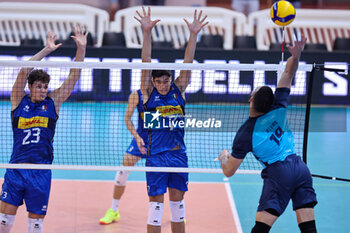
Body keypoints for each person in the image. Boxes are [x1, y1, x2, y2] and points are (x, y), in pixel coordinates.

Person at [216, 34, 317, 233]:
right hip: (300, 168)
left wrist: (223, 157)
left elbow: (228, 171)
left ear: (250, 100)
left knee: (261, 228)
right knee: (308, 227)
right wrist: (296, 56)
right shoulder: (278, 106)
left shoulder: (246, 133)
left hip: (280, 174)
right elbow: (288, 73)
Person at [0, 25, 87, 233]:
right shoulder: (18, 102)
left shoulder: (52, 102)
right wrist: (46, 50)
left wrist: (81, 50)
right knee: (4, 221)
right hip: (17, 169)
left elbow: (73, 77)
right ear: (31, 87)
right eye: (38, 86)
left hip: (41, 171)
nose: (42, 90)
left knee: (36, 223)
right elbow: (23, 72)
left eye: (45, 87)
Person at [136, 6, 208, 233]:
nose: (164, 85)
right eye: (160, 82)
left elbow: (188, 63)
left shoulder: (178, 91)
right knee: (155, 211)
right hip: (156, 157)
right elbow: (145, 62)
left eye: (167, 81)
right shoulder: (148, 93)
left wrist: (193, 35)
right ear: (154, 82)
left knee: (177, 208)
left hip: (178, 155)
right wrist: (147, 32)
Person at [99, 89, 148, 225]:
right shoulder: (137, 95)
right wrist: (137, 137)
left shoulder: (165, 93)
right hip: (141, 138)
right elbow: (127, 118)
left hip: (160, 140)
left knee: (167, 174)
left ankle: (177, 211)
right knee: (123, 169)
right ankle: (114, 210)